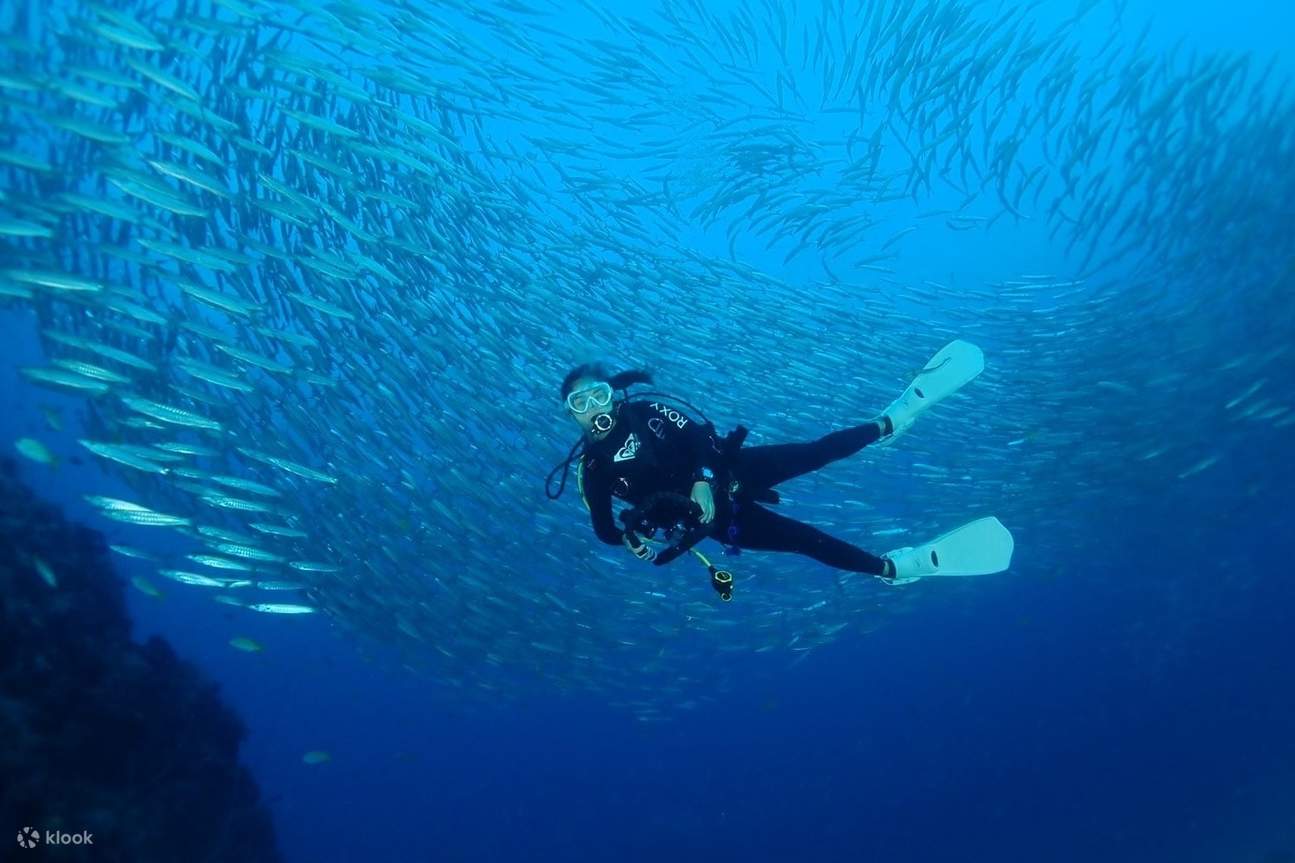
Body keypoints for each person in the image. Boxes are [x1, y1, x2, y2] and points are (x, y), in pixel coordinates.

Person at [548, 341, 1014, 586]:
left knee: (816, 451)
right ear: (571, 413)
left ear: (615, 393)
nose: (594, 405)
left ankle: (891, 420)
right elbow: (605, 533)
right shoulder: (591, 469)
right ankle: (898, 570)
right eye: (580, 401)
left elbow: (697, 437)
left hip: (731, 471)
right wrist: (633, 531)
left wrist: (705, 481)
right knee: (802, 540)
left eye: (600, 393)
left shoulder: (647, 411)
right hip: (712, 523)